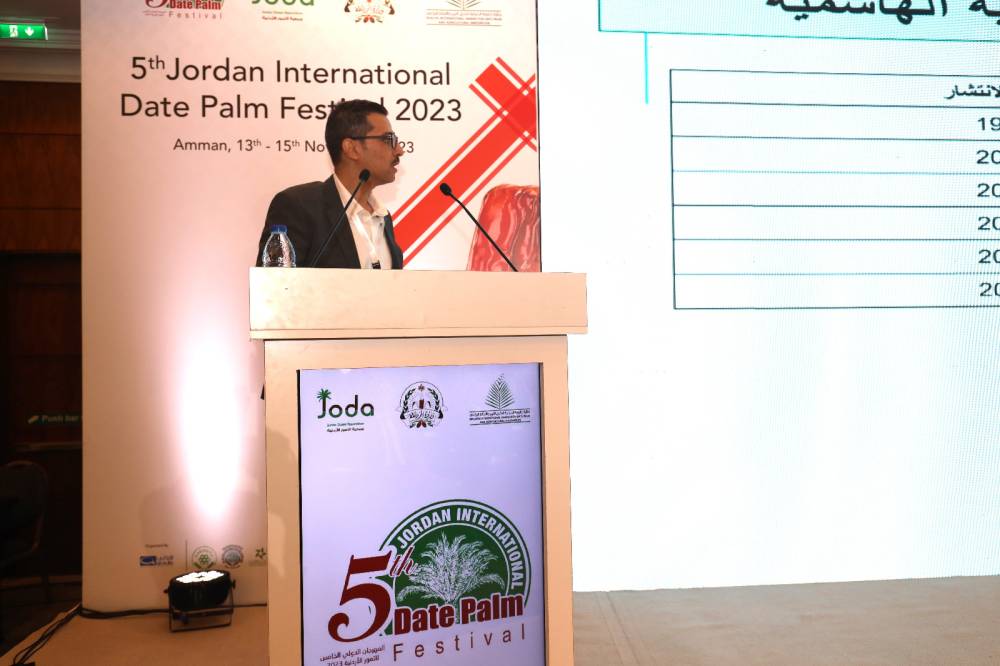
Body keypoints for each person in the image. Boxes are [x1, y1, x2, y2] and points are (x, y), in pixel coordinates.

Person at [255, 99, 405, 268]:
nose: (399, 150)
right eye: (388, 139)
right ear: (351, 148)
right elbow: (277, 282)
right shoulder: (298, 207)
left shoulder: (383, 217)